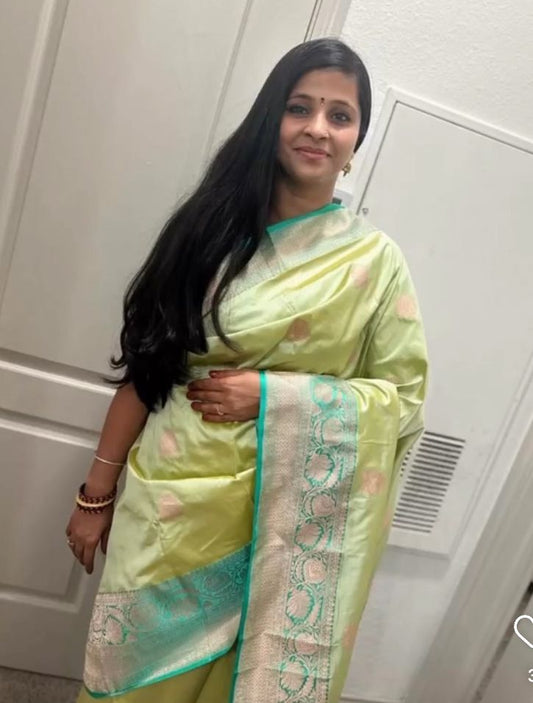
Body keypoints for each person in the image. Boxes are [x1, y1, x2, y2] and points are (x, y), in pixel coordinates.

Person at [66, 37, 428, 703]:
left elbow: (402, 400)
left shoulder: (375, 264)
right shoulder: (207, 231)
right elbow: (147, 369)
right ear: (272, 118)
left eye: (340, 115)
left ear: (356, 140)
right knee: (131, 682)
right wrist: (95, 495)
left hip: (285, 528)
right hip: (172, 507)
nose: (318, 128)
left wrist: (275, 397)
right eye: (300, 107)